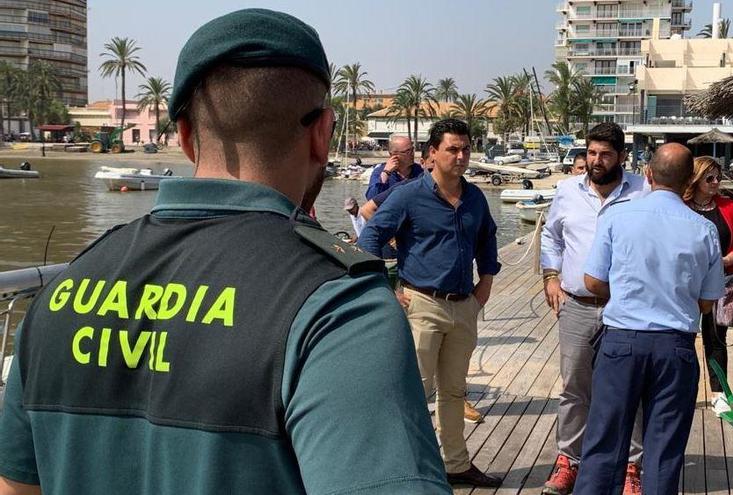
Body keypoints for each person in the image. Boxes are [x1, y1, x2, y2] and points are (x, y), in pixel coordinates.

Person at [0, 9, 451, 495]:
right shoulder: (340, 310)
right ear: (322, 134)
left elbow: (17, 487)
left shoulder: (65, 291)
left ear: (187, 136)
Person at [359, 119, 502, 487]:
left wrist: (484, 284)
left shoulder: (474, 198)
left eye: (466, 148)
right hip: (421, 304)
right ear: (432, 154)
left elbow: (487, 239)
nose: (461, 156)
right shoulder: (408, 196)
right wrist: (385, 286)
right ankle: (402, 471)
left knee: (455, 391)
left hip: (463, 306)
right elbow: (370, 238)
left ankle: (456, 465)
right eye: (453, 149)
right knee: (414, 393)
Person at [575, 143, 724, 494]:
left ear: (648, 174)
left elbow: (592, 281)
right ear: (690, 180)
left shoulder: (618, 216)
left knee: (604, 444)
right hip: (675, 347)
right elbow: (707, 301)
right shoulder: (704, 229)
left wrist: (628, 294)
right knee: (663, 451)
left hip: (622, 341)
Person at [539, 122, 649, 495]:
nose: (596, 161)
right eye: (591, 153)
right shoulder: (567, 191)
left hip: (627, 307)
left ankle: (631, 466)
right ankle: (568, 460)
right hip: (577, 306)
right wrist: (550, 277)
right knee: (574, 387)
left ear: (621, 156)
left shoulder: (643, 191)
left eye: (604, 154)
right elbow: (551, 237)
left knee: (629, 388)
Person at [684, 156, 733, 414]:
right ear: (695, 179)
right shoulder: (682, 206)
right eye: (708, 178)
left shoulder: (729, 206)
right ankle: (685, 388)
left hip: (719, 281)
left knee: (716, 339)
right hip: (686, 284)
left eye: (718, 178)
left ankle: (718, 391)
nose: (715, 183)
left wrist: (724, 261)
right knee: (683, 337)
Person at [365, 135, 424, 200]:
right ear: (393, 154)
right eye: (407, 152)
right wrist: (386, 173)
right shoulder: (380, 172)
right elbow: (371, 198)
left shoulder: (420, 171)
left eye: (412, 150)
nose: (412, 154)